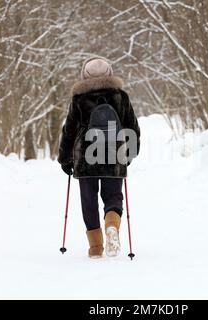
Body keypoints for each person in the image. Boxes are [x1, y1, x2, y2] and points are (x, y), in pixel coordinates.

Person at [58, 57, 140, 258]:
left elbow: (69, 130)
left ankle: (95, 247)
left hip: (86, 156)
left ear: (84, 75)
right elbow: (132, 127)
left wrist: (65, 159)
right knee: (113, 196)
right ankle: (111, 224)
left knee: (89, 200)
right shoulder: (121, 97)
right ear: (110, 73)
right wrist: (129, 152)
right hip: (115, 154)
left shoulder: (78, 99)